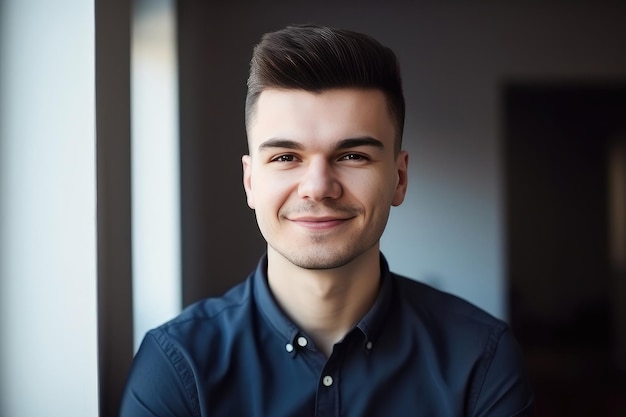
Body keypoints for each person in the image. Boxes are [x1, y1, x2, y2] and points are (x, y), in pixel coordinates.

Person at [120, 24, 534, 416]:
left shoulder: (482, 360)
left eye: (352, 156)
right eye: (285, 157)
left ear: (399, 178)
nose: (317, 187)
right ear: (251, 182)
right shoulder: (177, 367)